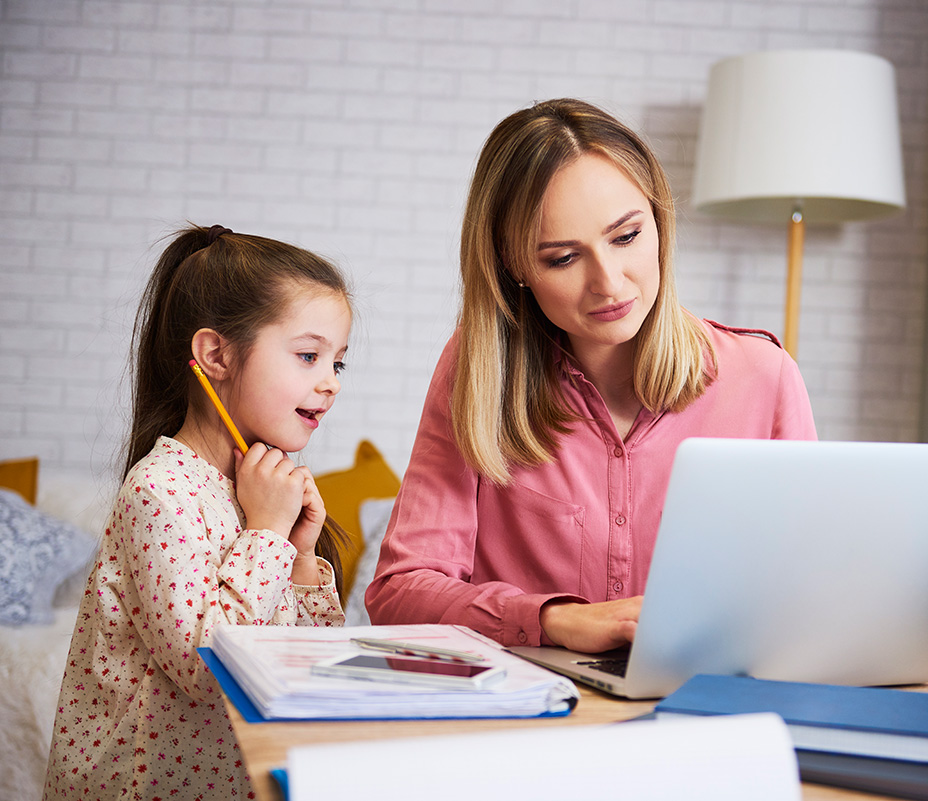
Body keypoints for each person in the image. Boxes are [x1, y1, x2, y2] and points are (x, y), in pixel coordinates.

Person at [366, 98, 817, 654]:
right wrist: (553, 621)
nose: (609, 283)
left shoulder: (763, 377)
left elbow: (806, 593)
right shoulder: (478, 370)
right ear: (515, 268)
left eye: (626, 237)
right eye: (562, 258)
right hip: (529, 718)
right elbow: (400, 591)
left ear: (659, 223)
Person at [42, 224, 351, 801]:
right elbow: (203, 671)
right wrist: (265, 535)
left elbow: (305, 667)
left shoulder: (262, 491)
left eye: (339, 363)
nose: (330, 383)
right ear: (216, 355)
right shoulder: (161, 490)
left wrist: (302, 552)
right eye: (309, 355)